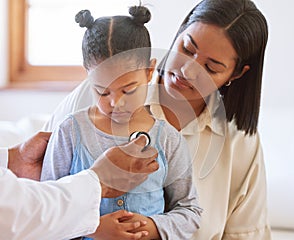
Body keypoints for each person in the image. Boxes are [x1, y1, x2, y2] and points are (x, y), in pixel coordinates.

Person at [43, 0, 271, 239]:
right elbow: (38, 200)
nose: (187, 70)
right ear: (180, 32)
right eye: (187, 49)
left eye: (210, 67)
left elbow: (244, 234)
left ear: (235, 74)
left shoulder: (240, 142)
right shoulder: (91, 99)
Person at [41, 5, 202, 240]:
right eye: (102, 92)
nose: (115, 103)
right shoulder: (70, 132)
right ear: (87, 75)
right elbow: (45, 208)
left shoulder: (167, 138)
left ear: (149, 71)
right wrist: (92, 228)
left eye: (128, 90)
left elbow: (190, 211)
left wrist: (151, 226)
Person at [0, 131, 159, 240]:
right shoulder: (71, 127)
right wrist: (100, 182)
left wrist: (13, 159)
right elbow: (13, 215)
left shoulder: (166, 136)